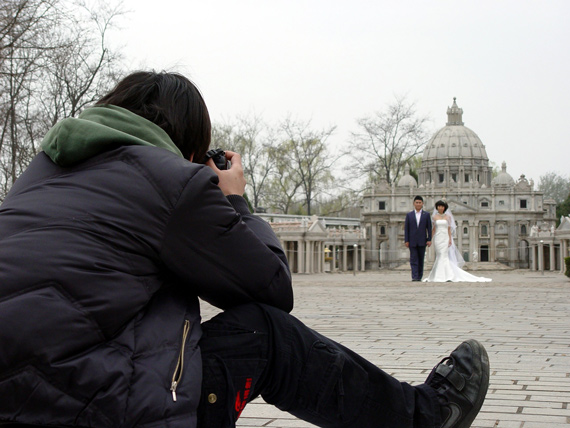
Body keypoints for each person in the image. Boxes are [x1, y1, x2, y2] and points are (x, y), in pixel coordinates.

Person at [0, 71, 490, 428]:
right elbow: (272, 286)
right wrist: (233, 197)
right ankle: (425, 418)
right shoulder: (171, 181)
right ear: (191, 147)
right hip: (94, 407)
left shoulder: (37, 177)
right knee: (266, 333)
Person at [423, 200, 491, 283]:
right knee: (439, 255)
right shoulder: (434, 217)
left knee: (444, 256)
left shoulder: (448, 217)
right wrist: (429, 238)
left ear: (444, 207)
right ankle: (439, 275)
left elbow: (449, 229)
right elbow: (433, 229)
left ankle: (447, 275)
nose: (440, 207)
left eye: (442, 206)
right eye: (439, 206)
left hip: (445, 237)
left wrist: (450, 239)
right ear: (436, 207)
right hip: (438, 238)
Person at [405, 195, 432, 281]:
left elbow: (429, 228)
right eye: (417, 202)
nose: (418, 204)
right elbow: (406, 229)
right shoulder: (409, 215)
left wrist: (429, 239)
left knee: (420, 259)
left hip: (422, 240)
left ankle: (419, 275)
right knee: (413, 259)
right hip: (412, 241)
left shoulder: (426, 215)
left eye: (420, 202)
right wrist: (406, 240)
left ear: (422, 204)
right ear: (414, 203)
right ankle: (414, 276)